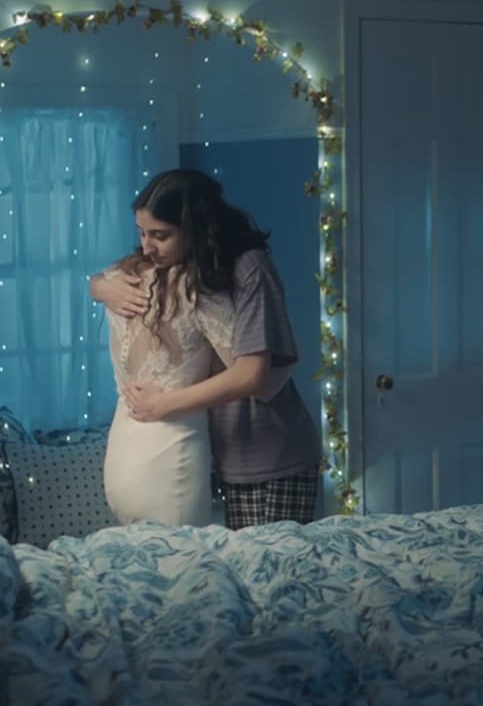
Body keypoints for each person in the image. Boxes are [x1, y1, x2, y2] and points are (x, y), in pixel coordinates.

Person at [91, 169, 321, 529]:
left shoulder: (249, 268)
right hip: (223, 451)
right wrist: (101, 287)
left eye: (160, 235)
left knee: (265, 561)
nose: (147, 246)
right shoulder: (186, 263)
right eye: (142, 233)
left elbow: (254, 375)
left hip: (268, 451)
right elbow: (116, 271)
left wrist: (163, 404)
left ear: (194, 228)